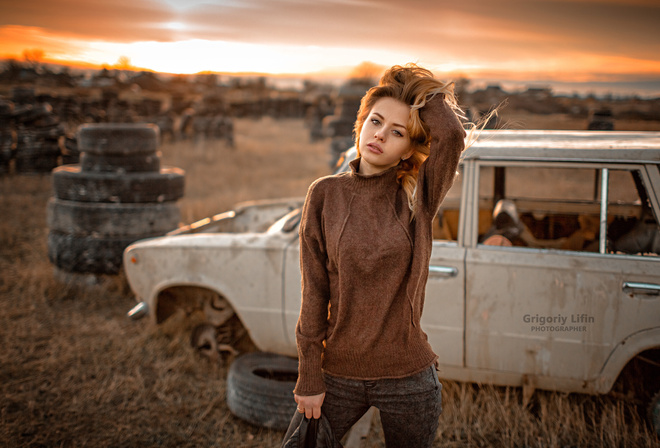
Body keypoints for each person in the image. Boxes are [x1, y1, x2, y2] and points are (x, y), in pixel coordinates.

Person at [288, 63, 469, 447]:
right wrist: (309, 374)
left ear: (408, 150)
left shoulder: (419, 200)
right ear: (360, 125)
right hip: (337, 371)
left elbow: (451, 134)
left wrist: (407, 83)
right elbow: (314, 291)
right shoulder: (324, 194)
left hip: (407, 376)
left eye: (397, 132)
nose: (380, 135)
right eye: (375, 121)